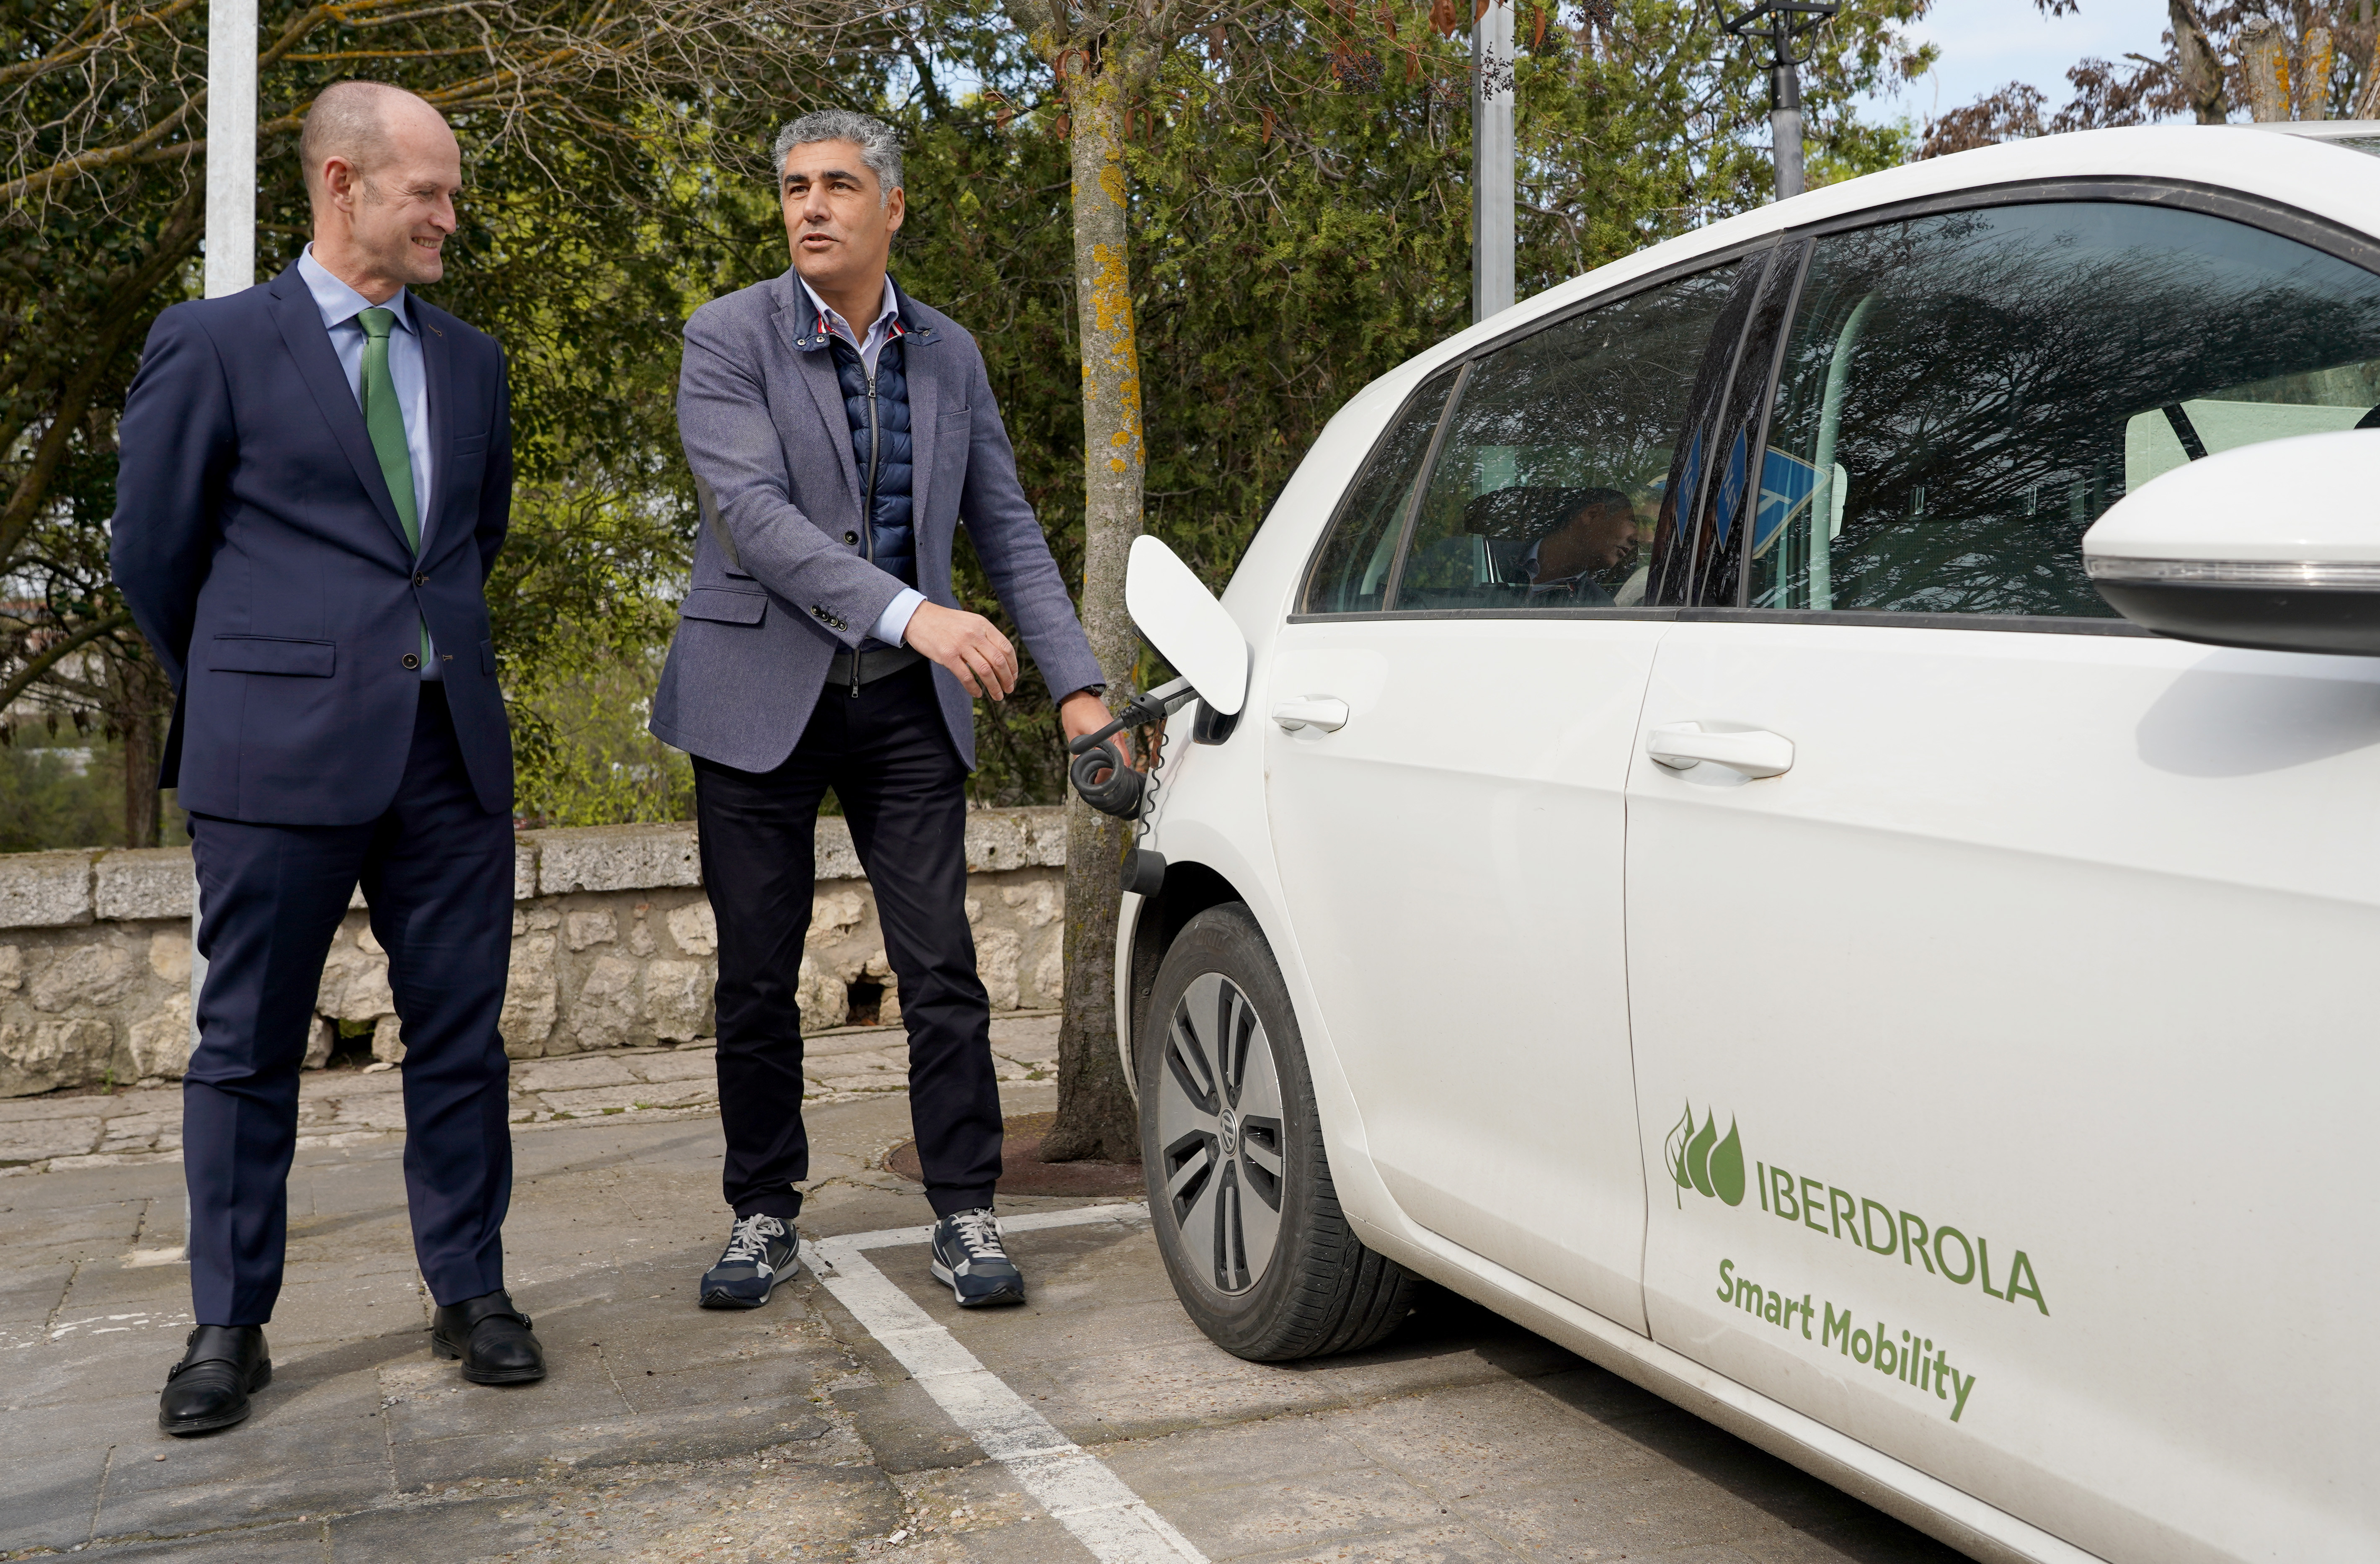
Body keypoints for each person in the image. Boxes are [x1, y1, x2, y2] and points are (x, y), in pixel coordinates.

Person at [112, 81, 543, 1437]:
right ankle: (228, 1325)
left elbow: (473, 538)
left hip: (448, 753)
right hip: (275, 757)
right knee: (244, 1050)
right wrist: (256, 682)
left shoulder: (471, 362)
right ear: (343, 182)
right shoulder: (215, 343)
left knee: (463, 1037)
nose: (450, 218)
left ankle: (470, 1288)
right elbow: (152, 556)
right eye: (432, 191)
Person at [652, 110, 1110, 1312]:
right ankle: (763, 1210)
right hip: (757, 701)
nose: (810, 206)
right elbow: (758, 520)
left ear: (891, 208)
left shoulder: (948, 353)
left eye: (838, 186)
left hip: (903, 709)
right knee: (756, 974)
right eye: (794, 185)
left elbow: (1005, 527)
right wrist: (921, 616)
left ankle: (965, 1212)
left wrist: (1076, 686)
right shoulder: (727, 336)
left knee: (941, 966)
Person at [1523, 488, 1640, 605]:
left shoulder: (1599, 607)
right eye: (1634, 522)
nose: (1642, 539)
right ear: (1593, 514)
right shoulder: (1504, 559)